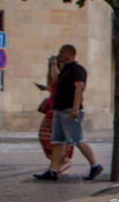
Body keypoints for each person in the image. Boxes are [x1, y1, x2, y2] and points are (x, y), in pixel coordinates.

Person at [35, 44, 102, 180]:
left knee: (77, 139)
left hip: (69, 110)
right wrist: (53, 65)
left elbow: (79, 88)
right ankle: (53, 170)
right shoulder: (65, 70)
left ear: (70, 53)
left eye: (62, 51)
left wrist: (75, 108)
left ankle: (95, 165)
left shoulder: (77, 70)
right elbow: (55, 80)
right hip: (60, 110)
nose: (60, 53)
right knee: (57, 141)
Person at [34, 55, 74, 173]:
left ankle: (61, 162)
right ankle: (55, 164)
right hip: (53, 109)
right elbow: (56, 88)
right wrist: (46, 88)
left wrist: (53, 64)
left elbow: (57, 79)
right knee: (46, 137)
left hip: (60, 109)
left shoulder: (65, 76)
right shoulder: (58, 78)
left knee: (59, 138)